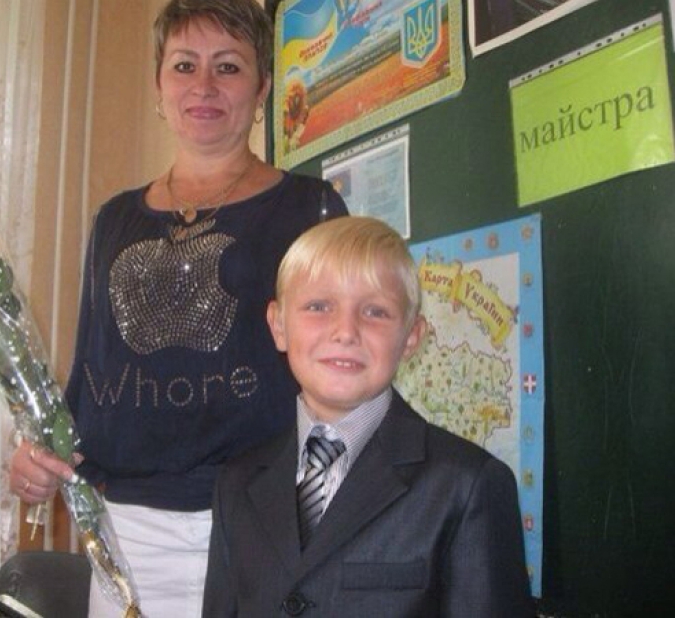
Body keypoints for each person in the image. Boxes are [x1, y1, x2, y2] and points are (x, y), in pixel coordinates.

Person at [8, 0, 347, 616]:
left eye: (229, 67)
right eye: (185, 65)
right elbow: (92, 373)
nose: (204, 86)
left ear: (262, 87)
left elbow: (344, 377)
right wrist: (40, 452)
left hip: (264, 527)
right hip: (127, 533)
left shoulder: (313, 209)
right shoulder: (113, 220)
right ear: (159, 86)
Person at [203, 217, 534, 617]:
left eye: (375, 311)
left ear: (411, 337)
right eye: (318, 306)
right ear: (278, 326)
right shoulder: (236, 483)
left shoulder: (467, 486)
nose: (346, 331)